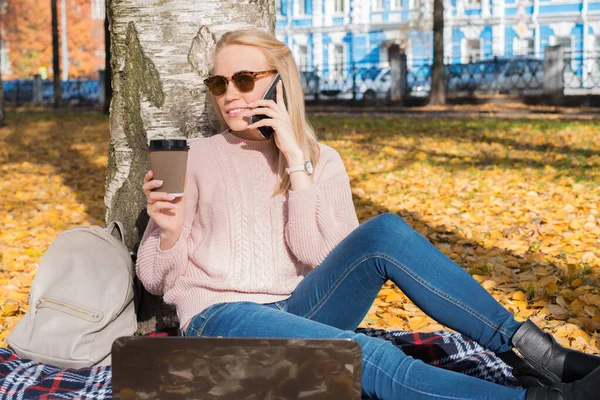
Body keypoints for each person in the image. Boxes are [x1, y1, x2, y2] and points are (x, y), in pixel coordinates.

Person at [137, 28, 600, 400]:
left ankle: (540, 354)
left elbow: (322, 256)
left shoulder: (323, 159)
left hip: (302, 309)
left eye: (244, 79)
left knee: (385, 233)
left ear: (280, 82)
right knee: (365, 354)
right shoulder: (194, 156)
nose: (230, 96)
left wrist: (296, 161)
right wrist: (171, 232)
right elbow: (154, 278)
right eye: (219, 84)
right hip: (220, 317)